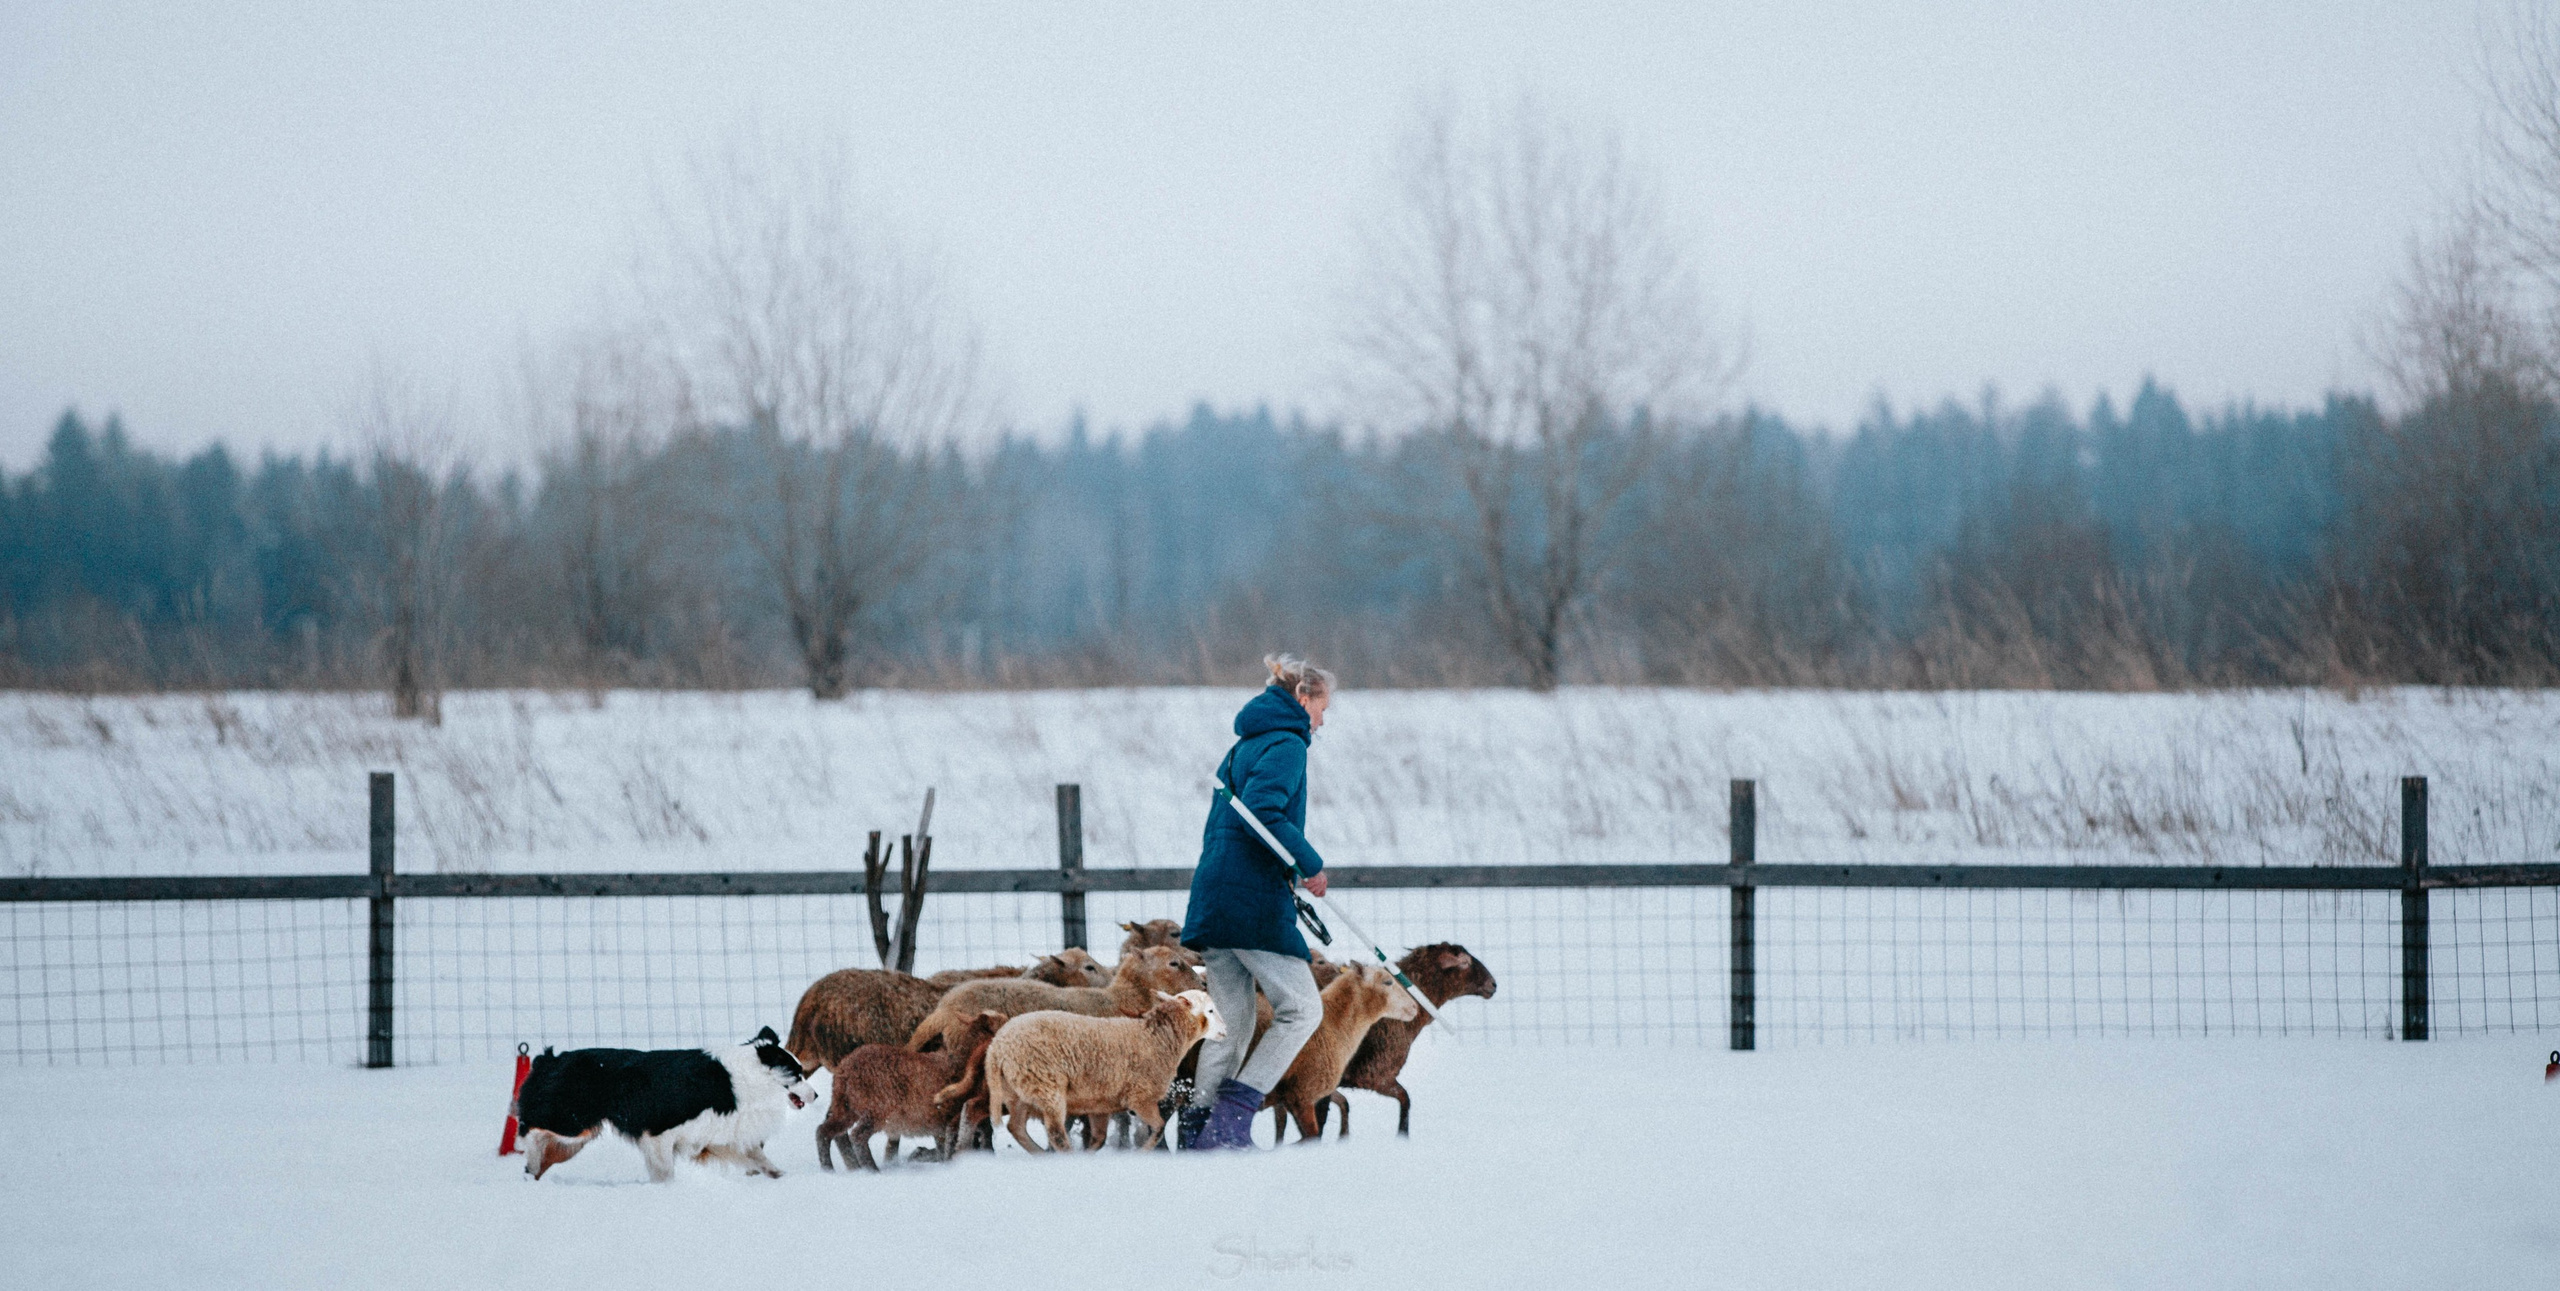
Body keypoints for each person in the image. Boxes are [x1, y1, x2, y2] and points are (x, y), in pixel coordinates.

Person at [1178, 653, 1335, 1150]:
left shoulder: (1242, 746)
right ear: (1302, 698)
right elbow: (1264, 811)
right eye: (1322, 709)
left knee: (1232, 1026)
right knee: (1302, 1010)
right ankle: (1230, 1121)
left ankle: (1198, 1129)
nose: (1322, 721)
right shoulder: (1287, 744)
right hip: (1249, 903)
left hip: (1215, 898)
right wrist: (1309, 864)